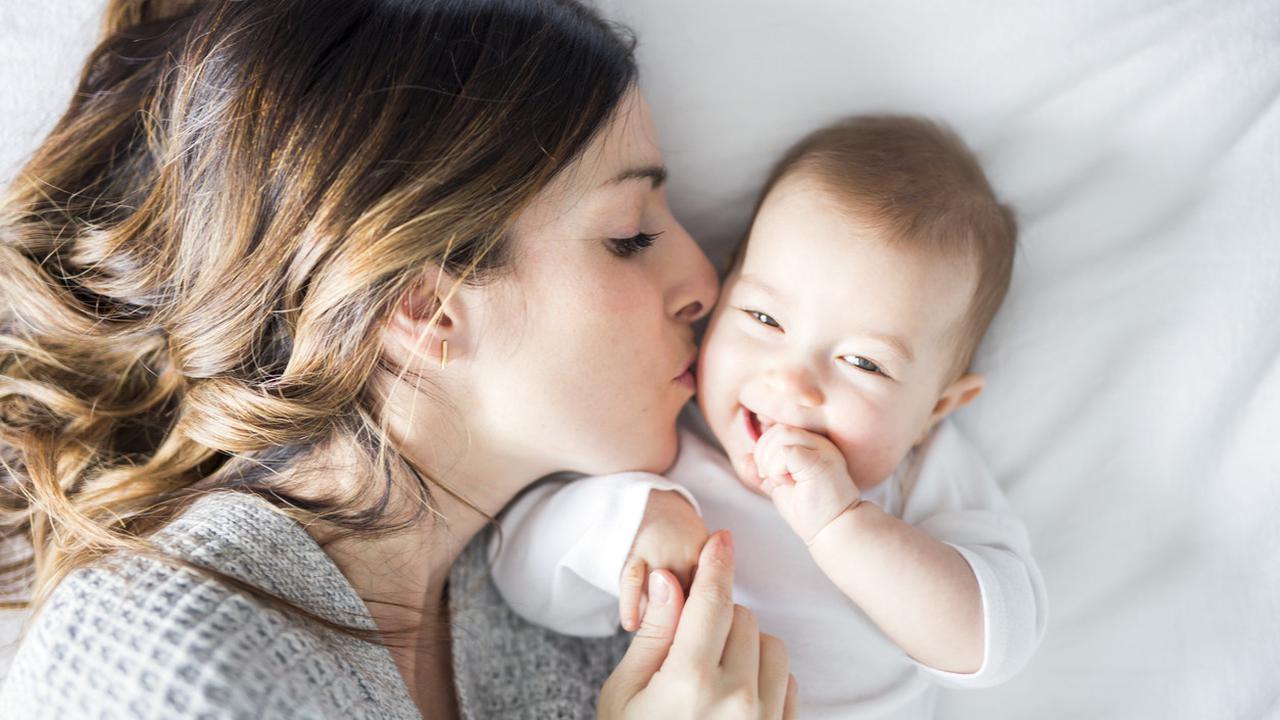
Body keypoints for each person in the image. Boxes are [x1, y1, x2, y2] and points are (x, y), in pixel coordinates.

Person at [0, 1, 799, 717]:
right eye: (629, 236)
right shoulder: (156, 663)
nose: (705, 282)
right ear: (422, 308)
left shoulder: (591, 607)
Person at [491, 115, 1049, 718]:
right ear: (724, 292)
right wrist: (630, 524)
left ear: (935, 410)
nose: (792, 381)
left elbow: (997, 641)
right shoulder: (663, 440)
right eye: (764, 319)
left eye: (863, 362)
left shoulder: (919, 473)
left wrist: (842, 525)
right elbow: (517, 576)